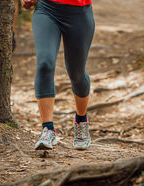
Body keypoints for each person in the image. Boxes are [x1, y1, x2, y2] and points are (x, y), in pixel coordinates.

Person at [21, 0, 95, 150]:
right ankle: (47, 129)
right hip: (46, 9)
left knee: (77, 74)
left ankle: (81, 120)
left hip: (79, 13)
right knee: (44, 64)